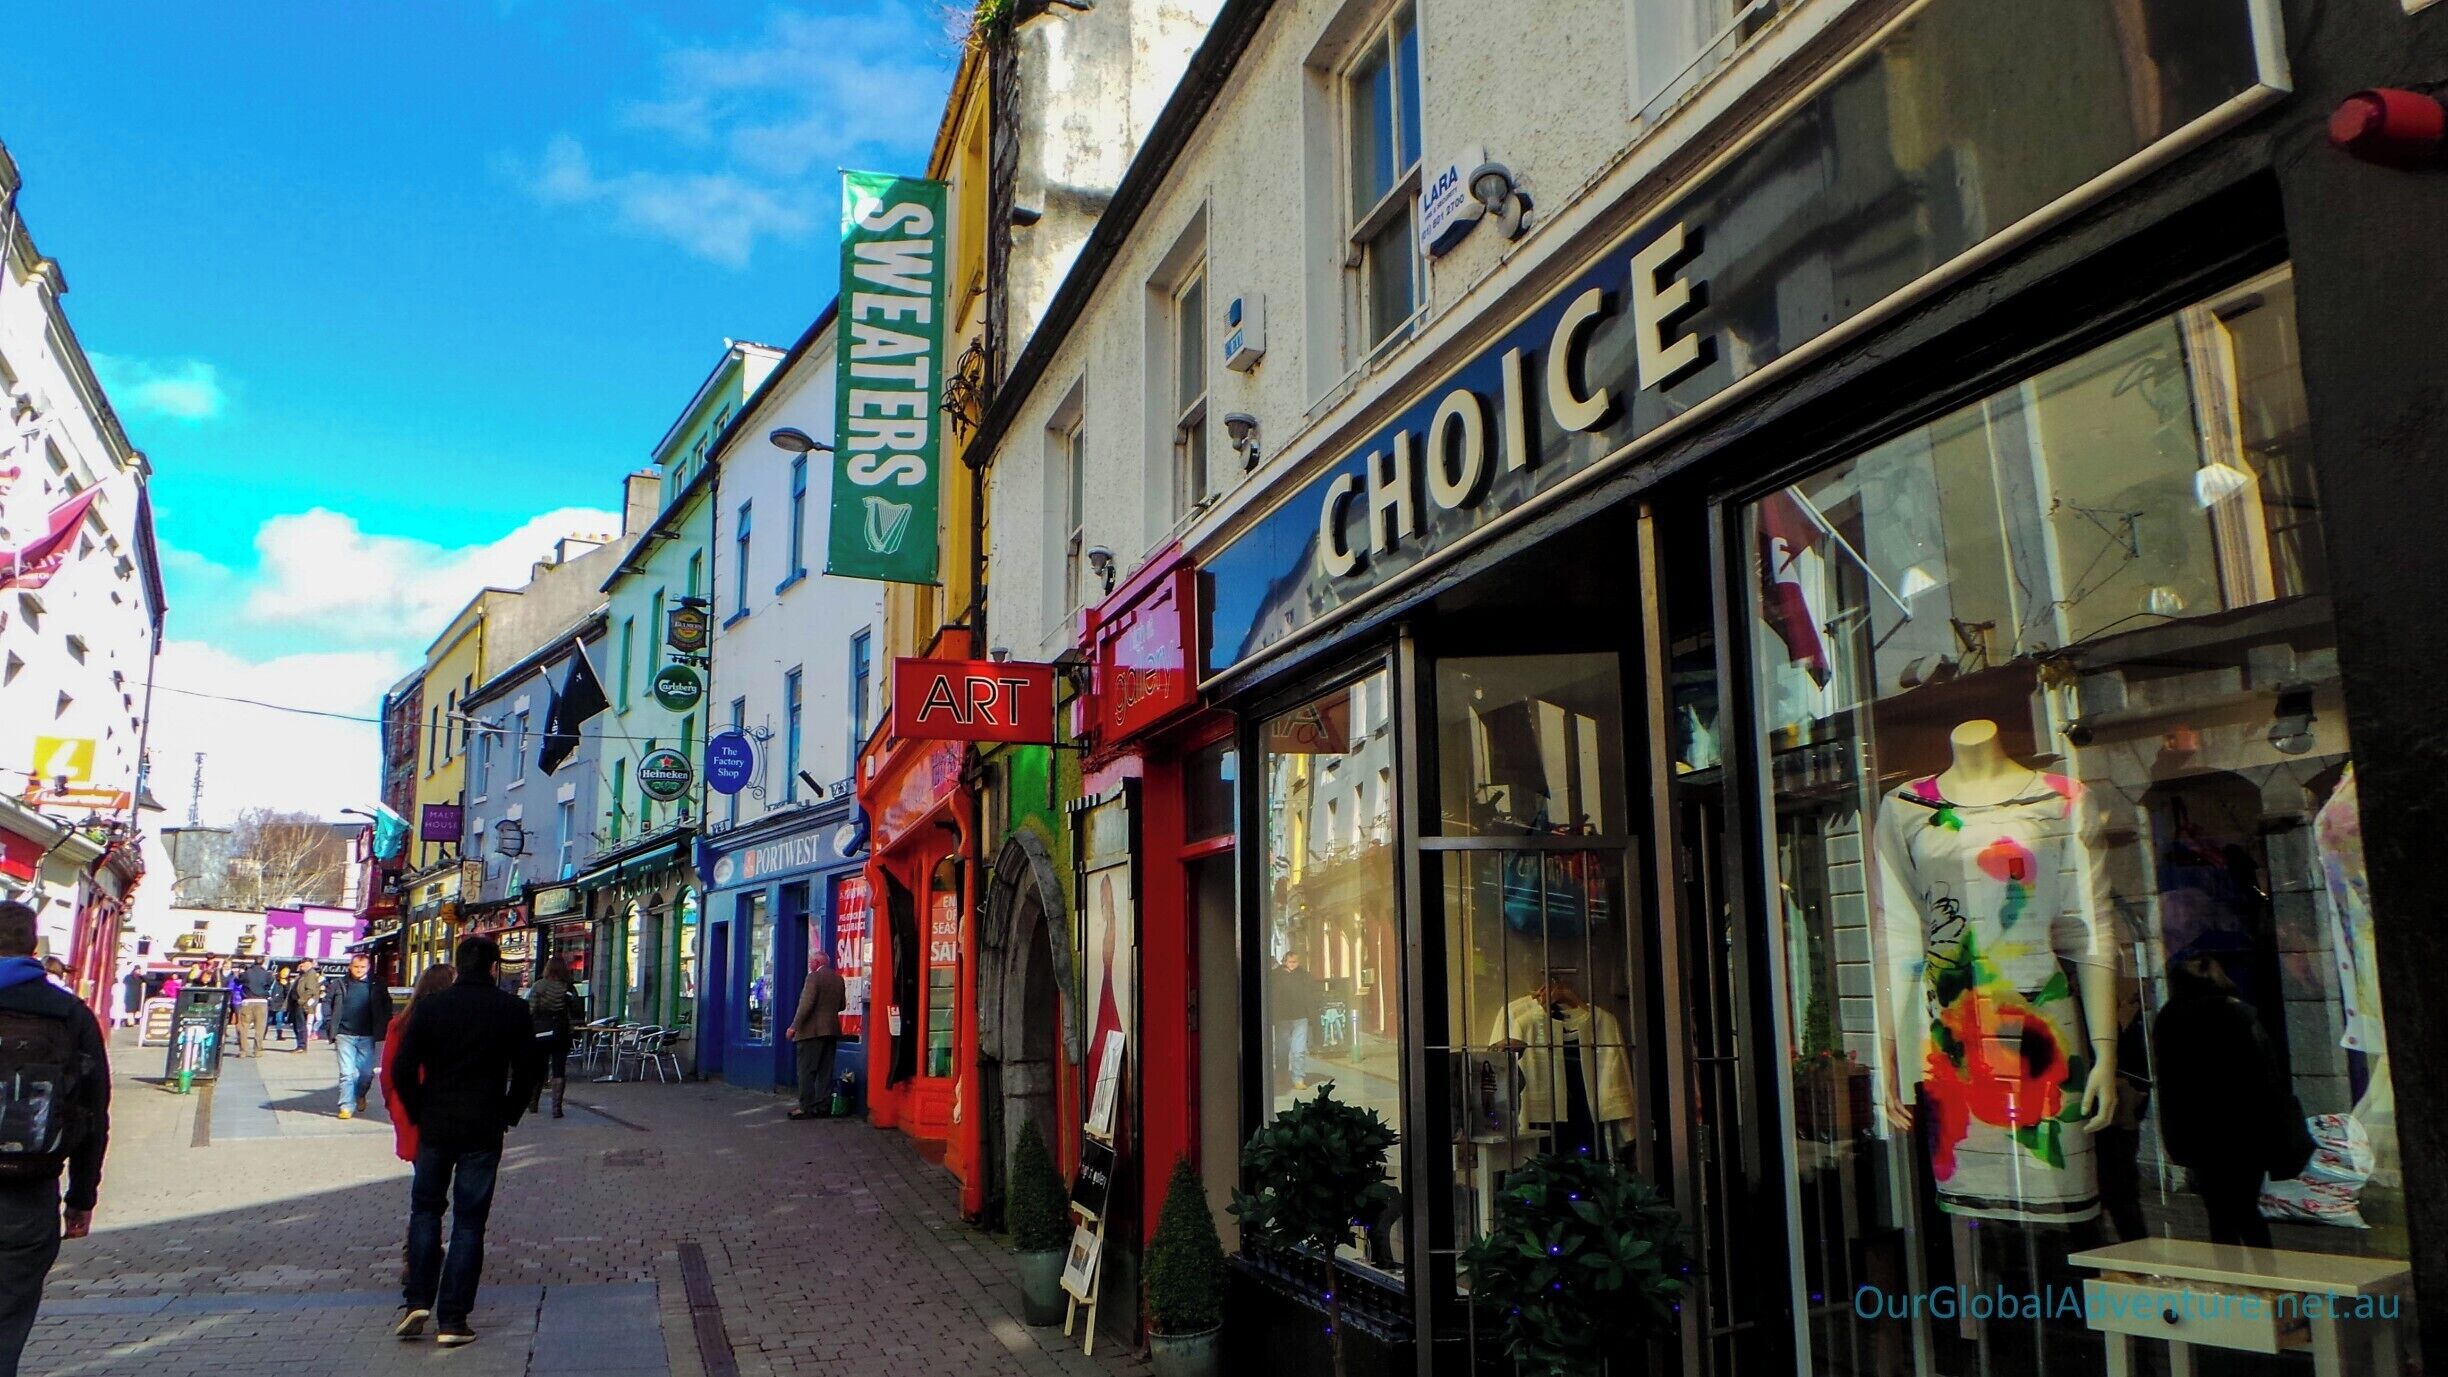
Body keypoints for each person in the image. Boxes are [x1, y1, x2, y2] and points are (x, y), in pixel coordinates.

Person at [390, 936, 544, 1346]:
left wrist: (419, 1107)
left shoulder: (430, 1008)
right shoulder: (511, 1009)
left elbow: (404, 1067)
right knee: (469, 1222)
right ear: (493, 967)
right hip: (483, 1126)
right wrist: (509, 1111)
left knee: (425, 1211)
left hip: (437, 1125)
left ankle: (417, 1300)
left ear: (459, 966)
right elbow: (530, 1067)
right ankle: (453, 1319)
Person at [0, 902, 109, 1374]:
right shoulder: (68, 1013)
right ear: (32, 946)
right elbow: (93, 1112)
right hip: (26, 1193)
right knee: (6, 1321)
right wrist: (81, 1197)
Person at [382, 965, 457, 1164]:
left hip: (408, 1101)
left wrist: (391, 1100)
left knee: (425, 1177)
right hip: (442, 1103)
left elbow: (389, 1068)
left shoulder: (401, 1023)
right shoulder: (456, 1022)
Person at [329, 954, 395, 1119]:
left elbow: (387, 1004)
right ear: (350, 967)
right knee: (347, 1073)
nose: (359, 970)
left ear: (368, 968)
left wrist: (384, 1024)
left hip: (367, 1034)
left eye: (362, 967)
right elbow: (327, 1003)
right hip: (344, 1034)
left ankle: (360, 1094)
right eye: (356, 967)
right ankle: (346, 1106)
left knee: (366, 1073)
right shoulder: (339, 984)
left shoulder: (377, 984)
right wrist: (330, 1022)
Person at [786, 950, 847, 1121]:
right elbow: (842, 1005)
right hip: (831, 1031)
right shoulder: (838, 978)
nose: (809, 965)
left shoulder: (813, 978)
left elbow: (806, 1005)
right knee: (825, 1071)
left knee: (806, 1071)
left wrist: (793, 1027)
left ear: (817, 963)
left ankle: (805, 1108)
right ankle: (823, 1106)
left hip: (811, 1032)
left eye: (810, 962)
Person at [526, 958, 579, 1120]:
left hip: (541, 1031)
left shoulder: (539, 986)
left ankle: (533, 1102)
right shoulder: (568, 988)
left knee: (539, 1066)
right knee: (559, 1068)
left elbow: (530, 1009)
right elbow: (576, 1008)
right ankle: (557, 1108)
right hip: (561, 1031)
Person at [1271, 949, 1322, 1093]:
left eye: (1295, 962)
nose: (1293, 964)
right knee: (1282, 1049)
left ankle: (1298, 1079)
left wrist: (1312, 1013)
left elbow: (1312, 995)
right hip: (1282, 1018)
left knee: (1299, 1051)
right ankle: (1281, 1073)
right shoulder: (1275, 976)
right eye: (1290, 961)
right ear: (1285, 961)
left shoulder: (1305, 976)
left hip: (1301, 1018)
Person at [234, 960, 276, 1058]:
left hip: (248, 1001)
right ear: (262, 963)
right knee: (260, 1028)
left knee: (243, 1027)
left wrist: (238, 975)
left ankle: (243, 1051)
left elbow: (238, 982)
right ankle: (257, 1051)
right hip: (262, 1002)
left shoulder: (246, 973)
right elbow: (270, 984)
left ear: (253, 962)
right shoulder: (267, 974)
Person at [285, 963, 322, 1052]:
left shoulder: (310, 975)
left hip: (302, 1004)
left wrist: (301, 1000)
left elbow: (310, 990)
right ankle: (299, 1045)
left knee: (300, 1025)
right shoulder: (303, 975)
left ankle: (302, 1046)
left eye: (302, 966)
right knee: (296, 1025)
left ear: (308, 966)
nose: (299, 967)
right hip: (295, 1003)